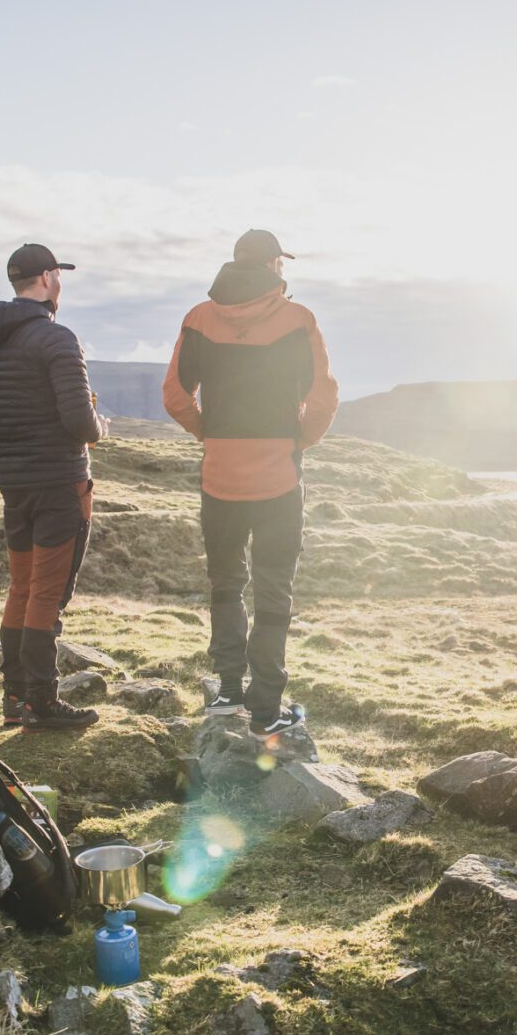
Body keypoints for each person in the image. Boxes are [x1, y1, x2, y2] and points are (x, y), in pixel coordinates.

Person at [163, 229, 339, 737]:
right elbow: (323, 396)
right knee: (273, 588)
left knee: (225, 581)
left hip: (219, 476)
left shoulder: (199, 316)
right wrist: (296, 443)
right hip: (279, 478)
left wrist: (210, 436)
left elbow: (175, 395)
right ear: (273, 265)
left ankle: (226, 691)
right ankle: (265, 711)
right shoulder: (298, 319)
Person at [0, 243, 108, 730]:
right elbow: (80, 421)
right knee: (48, 593)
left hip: (15, 483)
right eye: (59, 276)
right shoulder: (57, 340)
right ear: (49, 278)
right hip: (59, 483)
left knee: (22, 588)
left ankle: (15, 699)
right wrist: (101, 426)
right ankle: (42, 702)